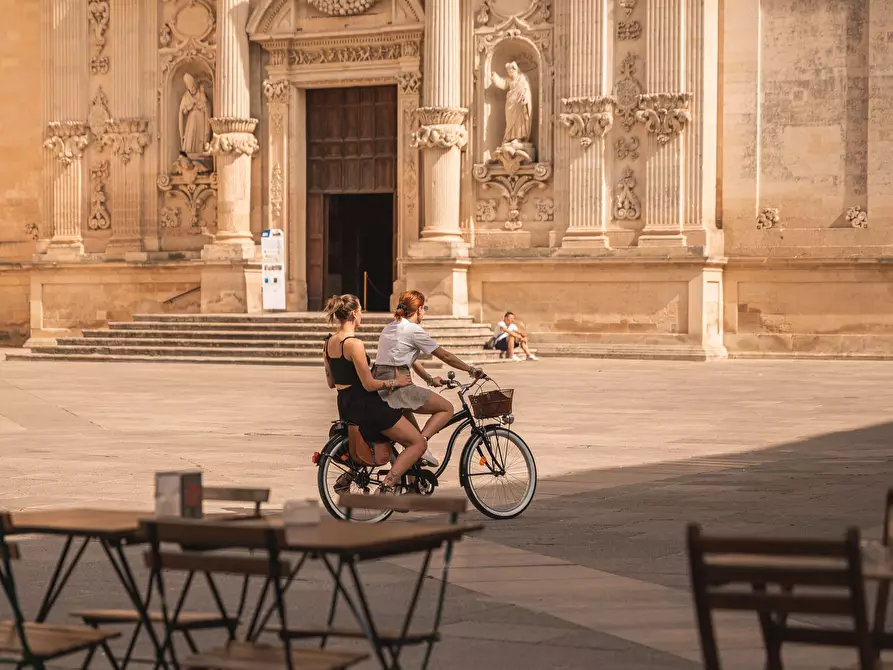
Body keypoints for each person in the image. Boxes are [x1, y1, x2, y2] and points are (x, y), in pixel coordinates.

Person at [322, 294, 427, 496]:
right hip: (368, 406)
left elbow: (331, 382)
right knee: (418, 443)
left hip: (345, 405)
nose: (362, 314)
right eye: (361, 310)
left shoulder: (328, 344)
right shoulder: (354, 344)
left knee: (387, 437)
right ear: (354, 313)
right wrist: (395, 382)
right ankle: (387, 485)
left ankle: (352, 475)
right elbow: (369, 385)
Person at [373, 290, 486, 467]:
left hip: (382, 384)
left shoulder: (391, 326)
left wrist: (430, 379)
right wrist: (471, 369)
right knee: (446, 409)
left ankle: (413, 475)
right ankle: (422, 446)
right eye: (424, 308)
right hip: (399, 386)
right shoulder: (413, 330)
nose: (424, 312)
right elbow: (445, 356)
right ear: (418, 309)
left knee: (411, 436)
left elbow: (412, 360)